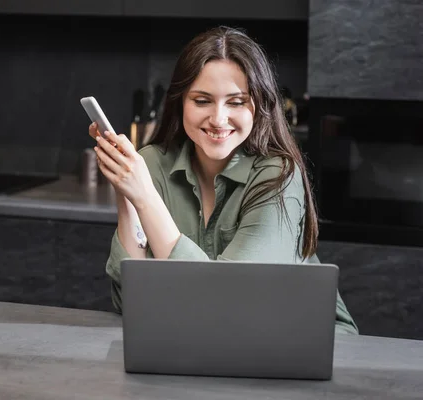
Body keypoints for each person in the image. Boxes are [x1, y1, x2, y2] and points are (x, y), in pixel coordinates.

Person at [89, 26, 358, 335]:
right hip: (202, 341)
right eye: (202, 100)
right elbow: (130, 302)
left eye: (236, 102)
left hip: (303, 342)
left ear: (260, 105)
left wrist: (146, 198)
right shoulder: (152, 163)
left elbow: (229, 302)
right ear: (181, 103)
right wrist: (128, 193)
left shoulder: (278, 176)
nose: (218, 118)